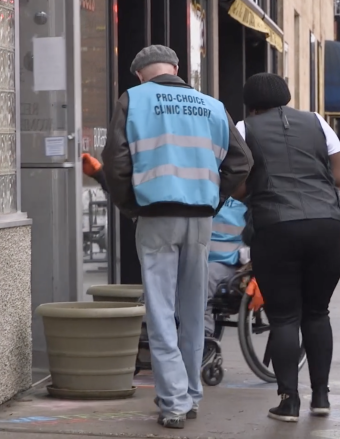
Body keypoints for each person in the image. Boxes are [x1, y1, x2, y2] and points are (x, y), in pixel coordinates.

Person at [102, 45, 253, 429]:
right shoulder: (212, 106)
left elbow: (116, 164)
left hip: (156, 215)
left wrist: (132, 206)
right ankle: (192, 395)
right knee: (191, 308)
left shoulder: (133, 100)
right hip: (200, 217)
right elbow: (242, 162)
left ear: (140, 75)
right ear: (175, 68)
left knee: (160, 310)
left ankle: (173, 403)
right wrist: (213, 200)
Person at [233, 73, 340, 423]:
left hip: (275, 227)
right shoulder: (317, 123)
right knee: (317, 312)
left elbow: (238, 187)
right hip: (325, 226)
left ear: (251, 104)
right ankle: (322, 397)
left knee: (284, 316)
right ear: (286, 96)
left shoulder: (243, 129)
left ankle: (289, 401)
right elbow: (338, 175)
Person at [205, 197, 248, 336]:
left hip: (230, 264)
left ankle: (204, 330)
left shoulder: (252, 205)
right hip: (199, 258)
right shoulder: (211, 197)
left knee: (205, 277)